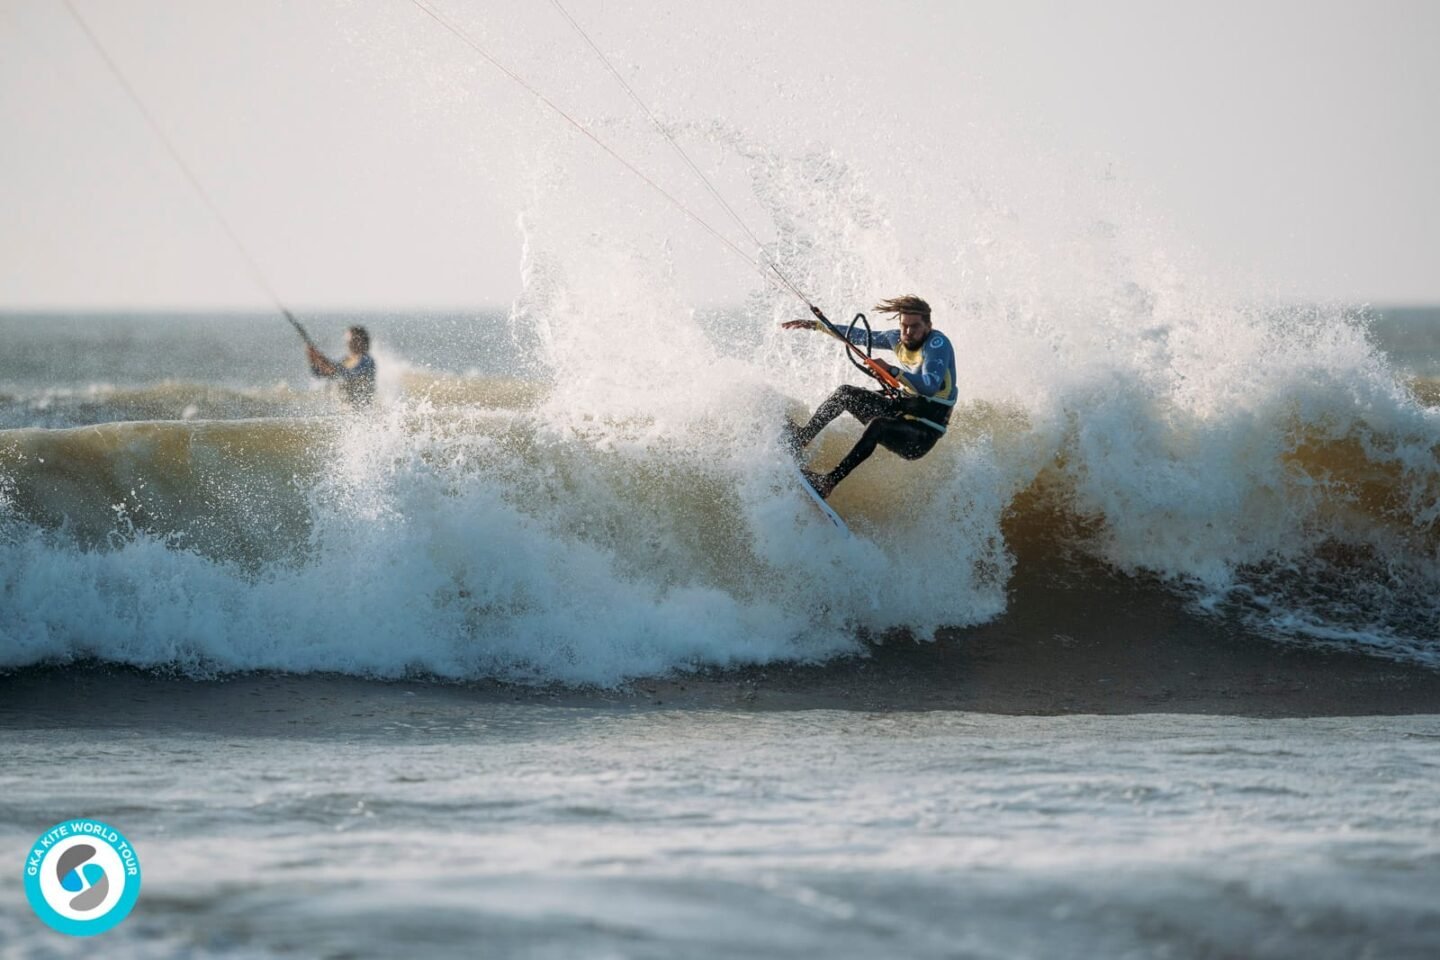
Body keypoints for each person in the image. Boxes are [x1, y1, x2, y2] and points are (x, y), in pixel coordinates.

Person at [780, 295, 956, 498]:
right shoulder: (896, 339)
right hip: (901, 410)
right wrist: (816, 325)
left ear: (928, 325)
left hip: (920, 435)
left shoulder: (937, 345)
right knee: (845, 394)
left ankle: (828, 482)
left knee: (878, 425)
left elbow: (930, 386)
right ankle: (802, 438)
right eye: (904, 326)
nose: (908, 332)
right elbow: (858, 335)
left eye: (915, 326)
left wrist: (891, 370)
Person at [307, 325, 376, 408]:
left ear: (359, 340)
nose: (347, 343)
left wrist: (326, 362)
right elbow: (320, 374)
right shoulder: (345, 361)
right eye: (347, 341)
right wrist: (314, 360)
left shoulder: (367, 360)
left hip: (362, 409)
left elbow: (351, 375)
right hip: (345, 409)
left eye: (350, 340)